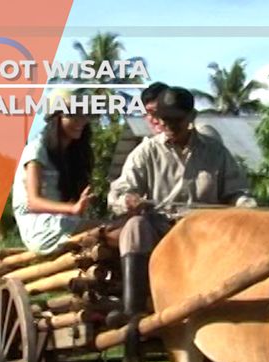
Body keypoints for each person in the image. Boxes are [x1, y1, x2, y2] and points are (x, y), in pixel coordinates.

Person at [106, 86, 256, 329]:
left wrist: (248, 208)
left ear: (191, 118)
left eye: (177, 120)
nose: (170, 125)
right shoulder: (146, 151)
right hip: (162, 230)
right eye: (165, 119)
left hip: (207, 233)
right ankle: (133, 310)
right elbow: (117, 193)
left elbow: (237, 192)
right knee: (135, 226)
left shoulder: (215, 151)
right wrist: (128, 201)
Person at [12, 89, 94, 253]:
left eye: (84, 114)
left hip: (64, 222)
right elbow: (33, 202)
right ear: (55, 118)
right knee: (118, 230)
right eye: (72, 114)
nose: (80, 120)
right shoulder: (36, 150)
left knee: (129, 226)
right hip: (42, 228)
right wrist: (72, 209)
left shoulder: (71, 154)